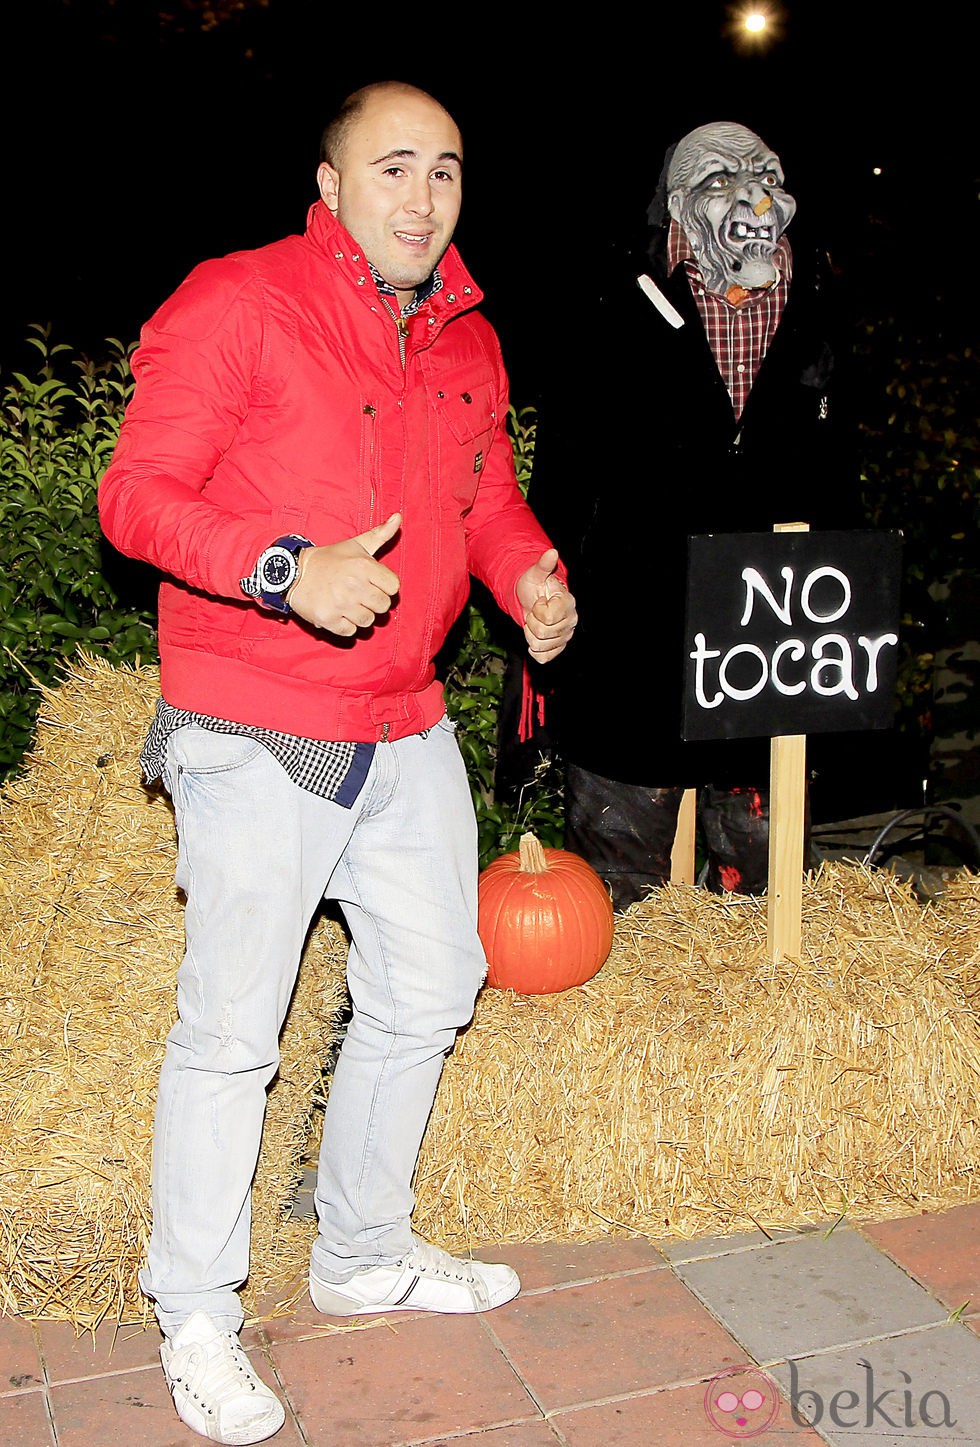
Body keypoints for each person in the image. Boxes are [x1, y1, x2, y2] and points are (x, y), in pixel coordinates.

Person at [99, 80, 576, 1445]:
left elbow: (483, 493)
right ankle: (194, 1303)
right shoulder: (240, 300)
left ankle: (362, 1247)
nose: (424, 197)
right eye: (394, 169)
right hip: (253, 706)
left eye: (446, 171)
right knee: (233, 1026)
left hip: (401, 706)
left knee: (433, 981)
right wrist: (280, 569)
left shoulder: (464, 333)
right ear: (329, 184)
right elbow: (133, 497)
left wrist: (528, 570)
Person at [523, 120, 858, 910]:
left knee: (765, 899)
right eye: (718, 179)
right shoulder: (612, 309)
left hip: (767, 654)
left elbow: (843, 479)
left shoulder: (819, 312)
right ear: (676, 206)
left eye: (764, 172)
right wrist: (543, 600)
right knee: (621, 901)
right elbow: (563, 485)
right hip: (629, 660)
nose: (749, 192)